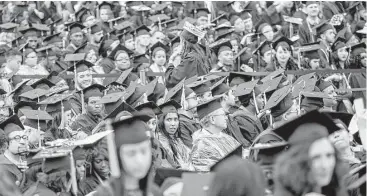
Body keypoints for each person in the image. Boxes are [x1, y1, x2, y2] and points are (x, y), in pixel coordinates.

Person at [273, 110, 349, 196]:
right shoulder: (285, 192)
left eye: (329, 155)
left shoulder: (336, 187)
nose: (325, 165)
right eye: (316, 157)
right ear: (300, 162)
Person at [94, 114, 161, 196]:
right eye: (131, 153)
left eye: (144, 151)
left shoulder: (154, 191)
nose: (139, 160)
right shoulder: (106, 193)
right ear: (119, 157)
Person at [191, 97, 240, 172]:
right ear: (212, 119)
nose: (226, 118)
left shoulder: (226, 137)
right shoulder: (201, 145)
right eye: (223, 115)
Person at [165, 21, 209, 88]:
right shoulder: (199, 54)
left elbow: (172, 79)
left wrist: (171, 61)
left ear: (184, 42)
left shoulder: (191, 59)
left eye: (181, 41)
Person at [157, 100, 192, 170]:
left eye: (175, 119)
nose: (173, 124)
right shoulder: (159, 143)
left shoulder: (177, 140)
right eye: (169, 120)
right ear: (162, 122)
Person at [0, 115, 28, 192]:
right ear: (6, 143)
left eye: (24, 137)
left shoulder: (26, 159)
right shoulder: (2, 167)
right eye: (17, 138)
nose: (22, 142)